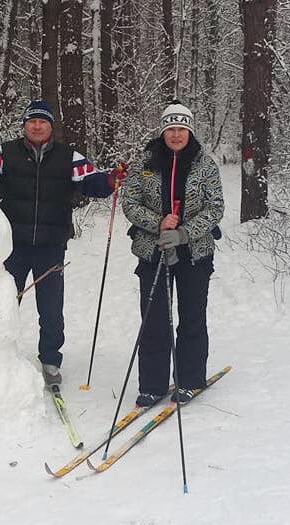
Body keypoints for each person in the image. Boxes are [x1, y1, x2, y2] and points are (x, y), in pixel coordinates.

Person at [0, 100, 124, 385]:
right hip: (13, 246)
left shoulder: (69, 156)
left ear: (50, 126)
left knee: (50, 306)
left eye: (42, 122)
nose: (36, 126)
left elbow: (90, 181)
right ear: (24, 126)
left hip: (51, 244)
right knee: (3, 302)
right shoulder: (6, 153)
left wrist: (110, 180)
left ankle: (50, 359)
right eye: (31, 121)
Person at [122, 101, 224, 406]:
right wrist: (157, 223)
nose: (176, 134)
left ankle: (190, 380)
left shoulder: (204, 164)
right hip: (152, 252)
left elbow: (215, 207)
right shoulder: (146, 162)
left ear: (189, 131)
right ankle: (152, 385)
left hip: (195, 252)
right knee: (154, 319)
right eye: (171, 128)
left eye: (181, 129)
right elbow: (130, 202)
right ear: (163, 131)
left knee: (192, 316)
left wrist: (183, 232)